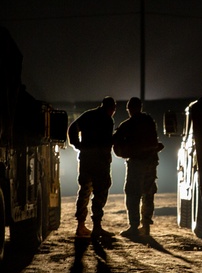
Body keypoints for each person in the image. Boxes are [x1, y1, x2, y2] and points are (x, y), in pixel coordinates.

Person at [112, 96, 165, 241]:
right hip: (151, 161)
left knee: (132, 193)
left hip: (137, 163)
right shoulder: (149, 121)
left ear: (129, 109)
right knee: (148, 193)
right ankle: (146, 225)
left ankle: (134, 226)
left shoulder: (128, 124)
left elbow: (115, 140)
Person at [67, 96, 118, 242]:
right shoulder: (108, 120)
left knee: (84, 191)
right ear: (110, 108)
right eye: (113, 108)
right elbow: (106, 141)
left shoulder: (88, 115)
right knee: (100, 193)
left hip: (87, 160)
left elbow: (72, 128)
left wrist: (78, 145)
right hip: (100, 162)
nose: (114, 111)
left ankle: (81, 225)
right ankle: (96, 226)